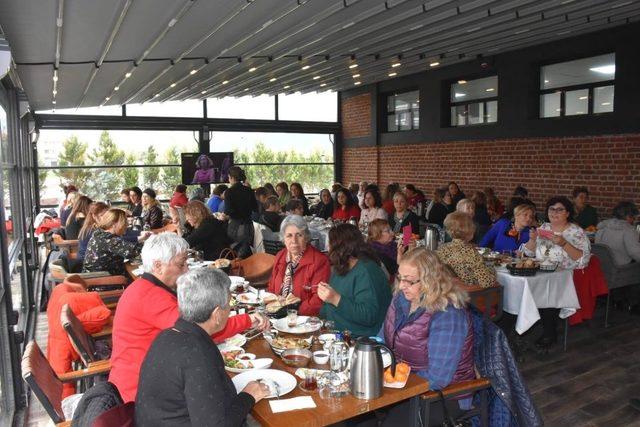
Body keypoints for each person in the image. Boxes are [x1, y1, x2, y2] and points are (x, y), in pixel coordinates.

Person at [109, 233, 269, 403]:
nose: (187, 269)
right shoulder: (152, 297)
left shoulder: (142, 286)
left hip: (142, 378)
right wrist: (248, 320)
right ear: (158, 266)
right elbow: (202, 329)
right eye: (181, 264)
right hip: (141, 394)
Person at [135, 268, 269, 426]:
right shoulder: (197, 355)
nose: (230, 311)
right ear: (217, 314)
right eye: (229, 306)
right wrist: (249, 395)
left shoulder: (167, 335)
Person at [379, 247, 474, 425]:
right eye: (400, 277)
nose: (401, 285)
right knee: (357, 416)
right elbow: (382, 339)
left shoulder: (447, 314)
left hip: (444, 395)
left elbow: (438, 378)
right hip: (405, 383)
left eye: (409, 281)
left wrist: (393, 382)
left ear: (430, 280)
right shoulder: (401, 298)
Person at [522, 196, 590, 348]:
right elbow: (529, 254)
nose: (554, 212)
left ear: (567, 213)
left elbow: (583, 259)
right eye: (551, 209)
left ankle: (549, 333)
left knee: (548, 290)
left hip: (565, 276)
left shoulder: (576, 232)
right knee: (521, 287)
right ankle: (520, 329)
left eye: (559, 209)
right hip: (540, 273)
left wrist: (564, 243)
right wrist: (533, 240)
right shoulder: (544, 228)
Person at [318, 224, 391, 337]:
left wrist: (336, 299)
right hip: (335, 334)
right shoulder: (341, 267)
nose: (328, 248)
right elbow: (327, 307)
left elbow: (369, 316)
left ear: (341, 247)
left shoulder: (367, 271)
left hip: (360, 340)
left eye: (330, 244)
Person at [267, 215, 330, 316]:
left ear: (306, 237)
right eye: (289, 235)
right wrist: (273, 307)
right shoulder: (280, 256)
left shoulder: (319, 261)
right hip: (276, 315)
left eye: (299, 235)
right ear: (283, 238)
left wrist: (292, 312)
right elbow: (271, 287)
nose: (294, 241)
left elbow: (318, 300)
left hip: (303, 319)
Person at [437, 212, 496, 288]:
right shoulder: (471, 252)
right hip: (469, 294)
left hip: (448, 291)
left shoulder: (442, 249)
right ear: (469, 230)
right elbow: (486, 282)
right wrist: (492, 269)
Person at [82, 208, 149, 276]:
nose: (127, 225)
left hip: (91, 278)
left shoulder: (99, 233)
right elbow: (135, 251)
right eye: (125, 222)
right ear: (114, 224)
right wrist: (150, 242)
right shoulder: (110, 240)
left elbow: (123, 243)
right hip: (104, 281)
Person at [224, 166, 258, 258]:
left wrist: (224, 216)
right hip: (249, 225)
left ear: (231, 177)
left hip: (235, 226)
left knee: (235, 252)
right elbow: (255, 208)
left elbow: (228, 211)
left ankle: (236, 270)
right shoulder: (249, 190)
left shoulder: (229, 192)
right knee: (246, 252)